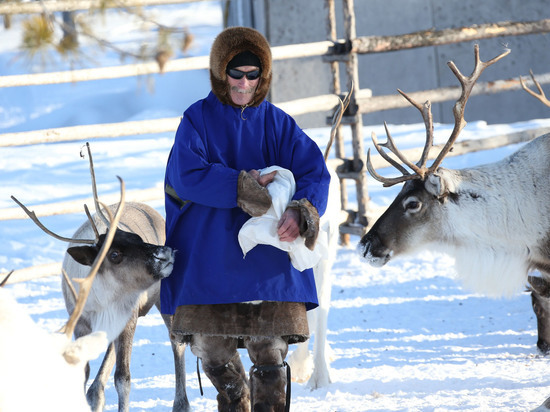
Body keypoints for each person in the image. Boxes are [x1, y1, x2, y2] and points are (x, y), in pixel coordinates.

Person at [161, 26, 331, 412]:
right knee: (213, 355)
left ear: (263, 76)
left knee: (271, 357)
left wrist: (301, 211)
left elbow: (315, 173)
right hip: (208, 259)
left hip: (269, 264)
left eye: (252, 74)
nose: (243, 82)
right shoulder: (196, 120)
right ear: (220, 73)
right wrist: (243, 185)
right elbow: (186, 177)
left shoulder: (279, 123)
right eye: (235, 74)